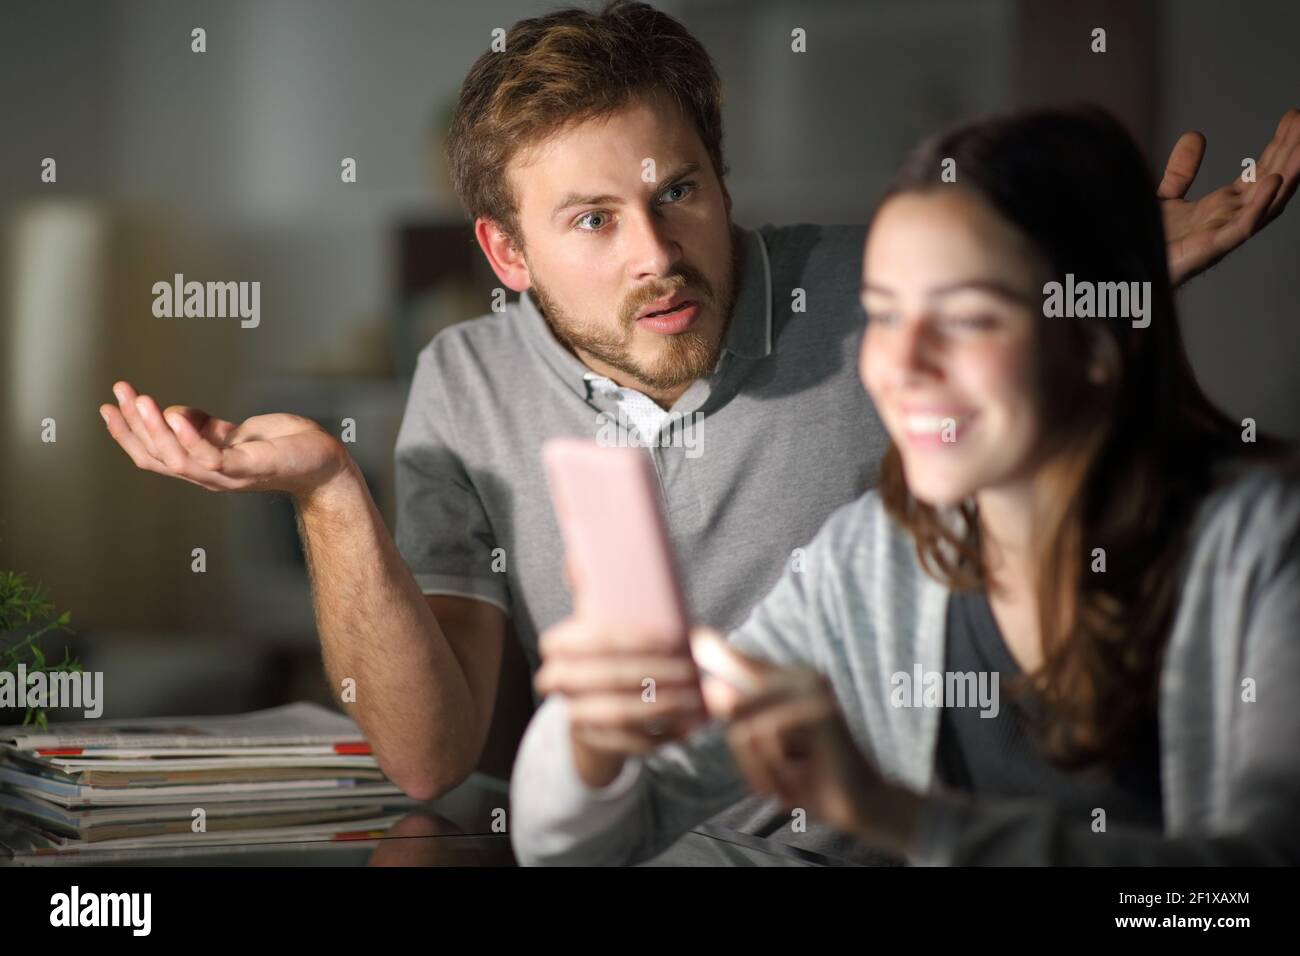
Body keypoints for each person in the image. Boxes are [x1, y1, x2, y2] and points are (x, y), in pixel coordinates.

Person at [98, 2, 1299, 860]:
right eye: (591, 220)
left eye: (679, 191)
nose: (658, 255)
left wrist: (1090, 285)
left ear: (721, 180)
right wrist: (327, 490)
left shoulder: (873, 293)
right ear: (506, 254)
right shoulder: (465, 380)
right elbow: (434, 763)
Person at [509, 106, 1300, 866]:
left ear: (1094, 336)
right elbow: (583, 844)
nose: (903, 366)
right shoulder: (873, 560)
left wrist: (896, 817)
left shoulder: (1265, 543)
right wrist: (588, 740)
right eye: (885, 316)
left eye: (964, 319)